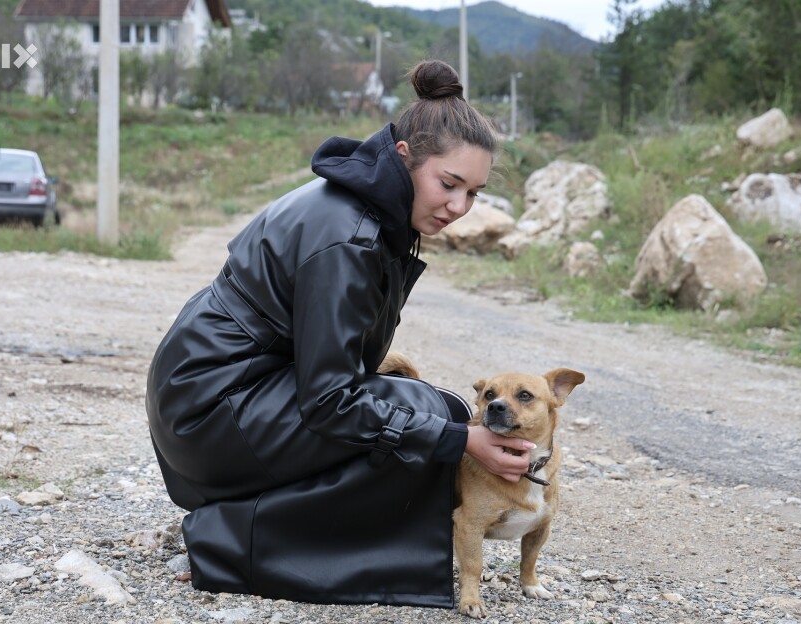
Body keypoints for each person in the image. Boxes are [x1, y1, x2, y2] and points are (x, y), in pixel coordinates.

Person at [145, 60, 536, 608]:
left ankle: (264, 529)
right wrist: (457, 441)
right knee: (437, 423)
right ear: (404, 158)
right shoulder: (349, 236)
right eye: (448, 184)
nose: (459, 208)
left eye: (473, 192)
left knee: (430, 410)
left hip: (212, 400)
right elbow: (330, 402)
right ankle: (236, 541)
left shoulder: (363, 209)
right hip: (212, 414)